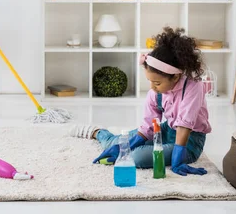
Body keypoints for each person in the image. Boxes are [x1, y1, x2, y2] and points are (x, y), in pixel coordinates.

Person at [70, 27, 211, 176]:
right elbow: (148, 128)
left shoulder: (193, 87)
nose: (152, 87)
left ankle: (124, 146)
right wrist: (125, 147)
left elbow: (184, 125)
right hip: (165, 131)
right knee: (117, 144)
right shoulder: (155, 93)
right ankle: (97, 132)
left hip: (189, 142)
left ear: (175, 77)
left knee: (138, 158)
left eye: (156, 83)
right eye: (150, 81)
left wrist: (178, 160)